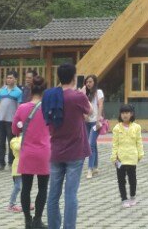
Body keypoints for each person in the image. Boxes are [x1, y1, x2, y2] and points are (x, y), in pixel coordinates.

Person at [46, 62, 91, 229]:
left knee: (53, 195)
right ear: (74, 77)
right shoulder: (78, 96)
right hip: (75, 150)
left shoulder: (50, 96)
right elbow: (90, 112)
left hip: (56, 150)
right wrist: (83, 94)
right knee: (70, 194)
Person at [13, 75, 50, 229]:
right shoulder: (48, 108)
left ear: (31, 89)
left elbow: (15, 129)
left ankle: (28, 220)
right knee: (42, 188)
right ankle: (38, 220)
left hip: (27, 152)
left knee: (26, 188)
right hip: (44, 152)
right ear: (44, 90)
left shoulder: (22, 108)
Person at [111, 104, 144, 207]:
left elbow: (139, 142)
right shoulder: (117, 128)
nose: (125, 115)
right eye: (123, 113)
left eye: (127, 113)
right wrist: (114, 157)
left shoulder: (137, 127)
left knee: (132, 179)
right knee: (121, 180)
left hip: (132, 158)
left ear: (131, 114)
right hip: (120, 159)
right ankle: (124, 199)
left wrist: (140, 154)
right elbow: (115, 144)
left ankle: (133, 197)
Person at [0, 71, 23, 171]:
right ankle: (0, 163)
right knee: (0, 142)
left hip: (11, 121)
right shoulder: (1, 90)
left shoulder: (19, 92)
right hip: (0, 120)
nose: (9, 80)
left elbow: (19, 108)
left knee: (12, 143)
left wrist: (18, 122)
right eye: (7, 78)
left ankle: (12, 163)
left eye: (11, 78)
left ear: (15, 79)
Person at [83, 74, 104, 179]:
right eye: (87, 82)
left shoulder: (98, 92)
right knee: (92, 143)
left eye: (90, 82)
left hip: (95, 122)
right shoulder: (85, 93)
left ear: (94, 82)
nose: (88, 84)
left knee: (90, 144)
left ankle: (90, 169)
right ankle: (95, 166)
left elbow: (100, 105)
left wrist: (98, 119)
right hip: (86, 122)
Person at [7, 132, 23, 214]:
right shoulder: (13, 140)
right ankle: (11, 204)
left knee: (26, 187)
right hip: (17, 166)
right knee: (18, 186)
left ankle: (25, 203)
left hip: (26, 165)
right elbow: (18, 147)